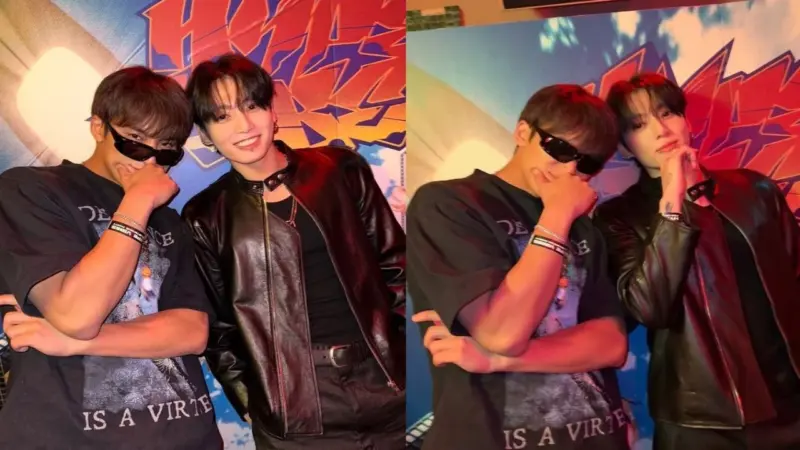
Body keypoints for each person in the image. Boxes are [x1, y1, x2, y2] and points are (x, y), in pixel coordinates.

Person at [181, 53, 405, 449]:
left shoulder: (339, 169)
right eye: (222, 116)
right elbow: (217, 326)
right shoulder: (205, 215)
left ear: (272, 112)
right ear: (206, 134)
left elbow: (397, 267)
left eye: (252, 106)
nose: (244, 126)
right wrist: (249, 401)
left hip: (388, 382)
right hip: (294, 405)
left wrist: (408, 360)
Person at [0, 67, 223, 449]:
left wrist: (77, 343)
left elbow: (192, 332)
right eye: (135, 143)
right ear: (98, 128)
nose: (148, 163)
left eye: (166, 150)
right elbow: (76, 314)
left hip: (187, 437)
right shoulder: (31, 190)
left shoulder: (168, 220)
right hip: (67, 439)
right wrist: (138, 200)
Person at [408, 84, 631, 450]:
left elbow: (611, 345)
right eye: (560, 149)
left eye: (587, 163)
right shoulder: (448, 204)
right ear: (523, 132)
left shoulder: (584, 228)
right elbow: (502, 333)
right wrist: (557, 215)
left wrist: (497, 361)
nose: (570, 169)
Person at [593, 72, 800, 450]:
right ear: (624, 145)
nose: (660, 130)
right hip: (700, 420)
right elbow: (649, 307)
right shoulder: (619, 216)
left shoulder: (753, 189)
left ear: (685, 119)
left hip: (791, 401)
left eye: (667, 113)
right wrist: (672, 202)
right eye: (638, 125)